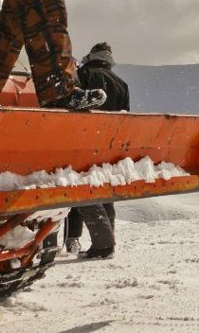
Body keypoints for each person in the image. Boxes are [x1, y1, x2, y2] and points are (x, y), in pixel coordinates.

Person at [65, 42, 131, 258]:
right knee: (104, 189)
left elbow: (69, 103)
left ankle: (73, 239)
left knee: (77, 188)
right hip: (108, 145)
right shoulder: (122, 84)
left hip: (80, 141)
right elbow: (125, 118)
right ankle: (107, 241)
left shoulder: (81, 74)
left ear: (91, 56)